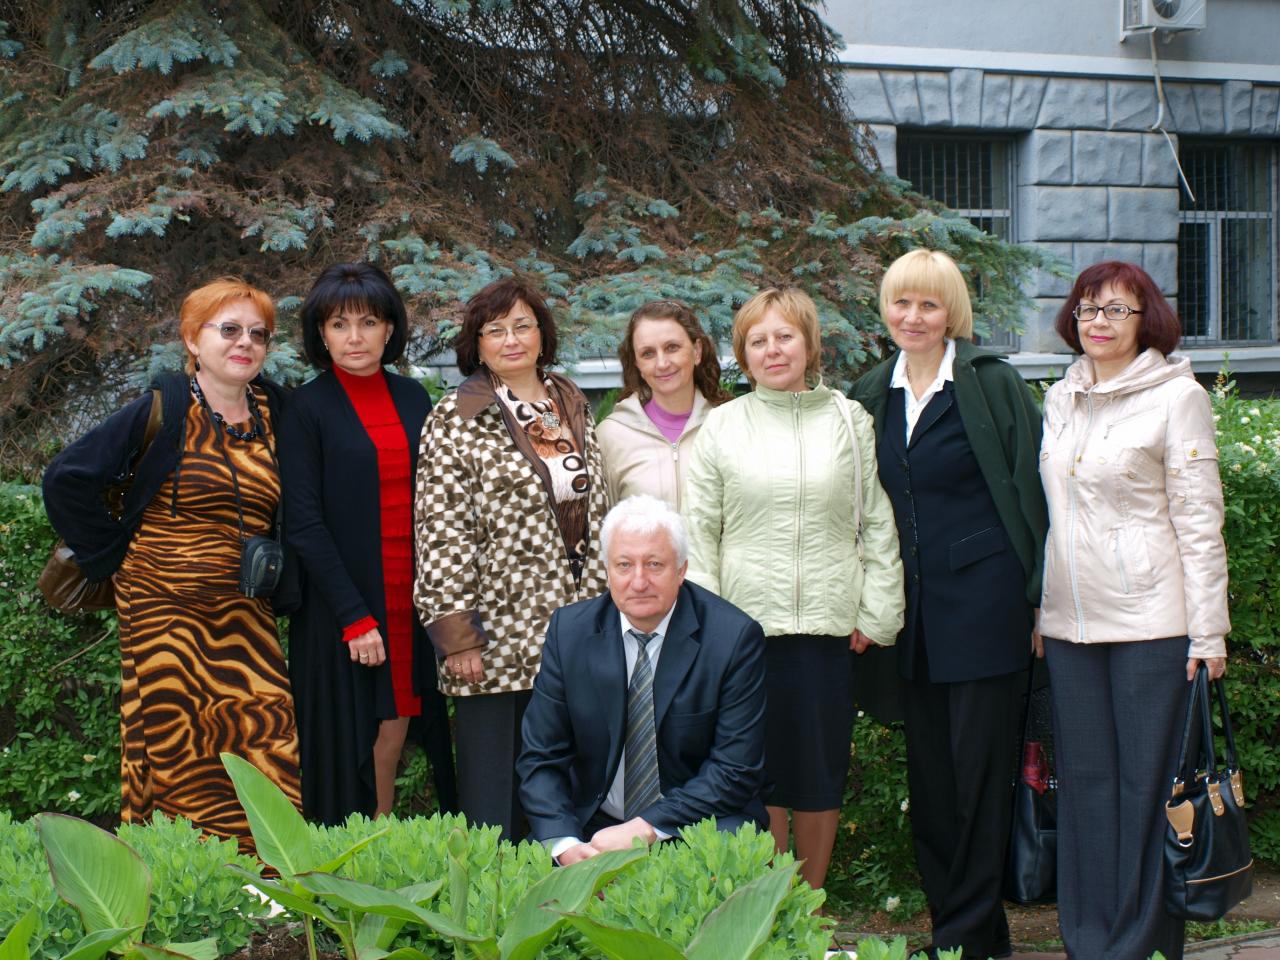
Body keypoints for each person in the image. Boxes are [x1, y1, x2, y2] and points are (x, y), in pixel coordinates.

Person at [42, 278, 301, 852]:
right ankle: (194, 872)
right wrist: (113, 558)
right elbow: (66, 479)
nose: (245, 343)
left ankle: (269, 872)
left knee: (267, 732)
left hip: (244, 609)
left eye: (258, 334)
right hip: (163, 608)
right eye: (229, 329)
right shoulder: (163, 408)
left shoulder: (276, 411)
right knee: (180, 745)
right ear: (191, 338)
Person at [849, 248, 1048, 960]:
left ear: (952, 313)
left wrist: (1041, 603)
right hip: (912, 622)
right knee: (933, 786)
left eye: (929, 304)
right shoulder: (872, 391)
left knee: (980, 783)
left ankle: (961, 939)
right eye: (901, 302)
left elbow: (1035, 492)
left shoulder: (991, 384)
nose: (913, 317)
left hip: (987, 611)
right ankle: (973, 935)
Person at [683, 287, 904, 892]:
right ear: (743, 355)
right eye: (758, 341)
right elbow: (699, 531)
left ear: (809, 344)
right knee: (759, 778)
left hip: (828, 632)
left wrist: (877, 613)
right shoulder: (722, 426)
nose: (773, 350)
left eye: (785, 336)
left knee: (817, 777)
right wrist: (708, 629)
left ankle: (809, 910)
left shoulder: (849, 420)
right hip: (744, 634)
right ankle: (768, 908)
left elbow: (876, 521)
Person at [1039, 261, 1229, 960]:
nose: (1099, 322)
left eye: (1117, 309)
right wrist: (1042, 613)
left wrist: (1208, 632)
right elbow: (1055, 518)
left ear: (1147, 319)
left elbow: (1200, 521)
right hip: (1070, 626)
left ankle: (1141, 944)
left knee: (1148, 789)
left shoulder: (1178, 397)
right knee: (1086, 789)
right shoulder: (1061, 396)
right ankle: (1089, 939)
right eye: (1088, 308)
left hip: (1153, 624)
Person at [413, 275, 610, 840]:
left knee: (568, 785)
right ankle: (494, 895)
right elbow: (441, 527)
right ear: (476, 346)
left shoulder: (569, 404)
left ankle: (566, 885)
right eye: (495, 330)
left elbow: (593, 513)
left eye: (523, 326)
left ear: (542, 335)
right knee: (495, 797)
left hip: (573, 629)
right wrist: (456, 633)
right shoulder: (456, 416)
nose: (512, 339)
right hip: (496, 636)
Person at [279, 262, 456, 825]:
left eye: (368, 322)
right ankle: (346, 857)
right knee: (348, 741)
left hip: (408, 601)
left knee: (396, 729)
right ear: (321, 333)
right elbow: (303, 523)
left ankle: (380, 846)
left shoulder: (413, 398)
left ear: (389, 329)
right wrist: (354, 618)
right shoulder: (305, 408)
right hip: (343, 608)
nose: (354, 337)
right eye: (339, 324)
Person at [516, 495, 767, 862]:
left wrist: (646, 827)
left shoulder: (733, 639)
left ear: (681, 570)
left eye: (654, 564)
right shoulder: (569, 632)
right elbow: (542, 756)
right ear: (607, 570)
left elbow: (735, 769)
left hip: (697, 822)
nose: (639, 581)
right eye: (624, 565)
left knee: (729, 850)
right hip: (592, 825)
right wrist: (566, 845)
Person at [597, 300, 733, 507]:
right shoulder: (610, 436)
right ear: (637, 363)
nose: (662, 363)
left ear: (697, 351)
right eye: (648, 353)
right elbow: (602, 521)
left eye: (672, 347)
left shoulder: (728, 425)